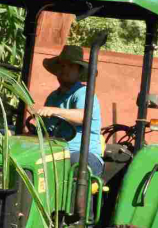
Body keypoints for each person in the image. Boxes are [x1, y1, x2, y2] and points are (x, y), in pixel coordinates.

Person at [33, 45, 104, 176]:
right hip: (55, 153)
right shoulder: (53, 97)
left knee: (73, 164)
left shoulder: (84, 93)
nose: (65, 69)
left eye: (70, 66)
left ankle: (78, 196)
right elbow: (45, 129)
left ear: (79, 71)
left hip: (84, 155)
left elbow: (82, 117)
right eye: (62, 65)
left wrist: (55, 111)